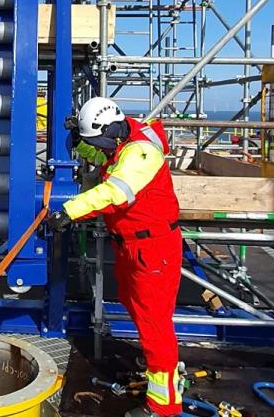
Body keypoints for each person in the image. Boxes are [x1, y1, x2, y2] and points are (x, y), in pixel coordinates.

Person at [47, 97, 182, 416]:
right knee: (135, 306)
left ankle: (164, 407)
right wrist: (79, 139)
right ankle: (156, 366)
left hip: (153, 249)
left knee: (155, 325)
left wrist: (69, 211)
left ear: (111, 131)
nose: (98, 148)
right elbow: (102, 155)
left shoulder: (141, 153)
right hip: (135, 247)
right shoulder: (126, 138)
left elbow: (115, 193)